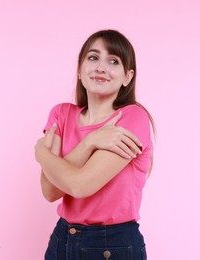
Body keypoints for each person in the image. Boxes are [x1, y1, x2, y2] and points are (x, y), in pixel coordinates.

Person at [35, 29, 154, 260]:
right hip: (62, 239)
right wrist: (91, 141)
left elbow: (80, 186)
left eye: (113, 61)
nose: (101, 67)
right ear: (80, 71)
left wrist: (41, 154)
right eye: (93, 57)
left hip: (113, 245)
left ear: (127, 77)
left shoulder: (133, 118)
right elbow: (50, 191)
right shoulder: (61, 114)